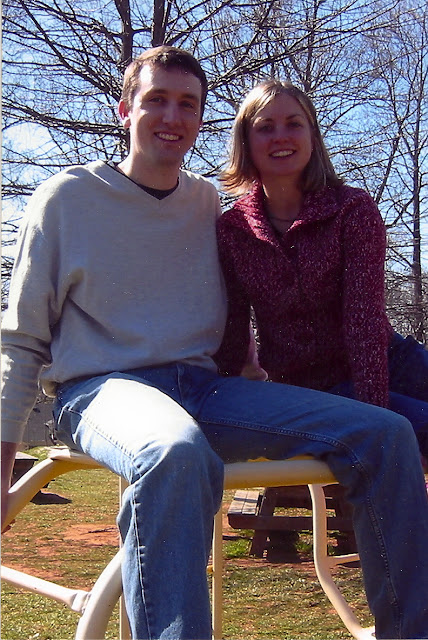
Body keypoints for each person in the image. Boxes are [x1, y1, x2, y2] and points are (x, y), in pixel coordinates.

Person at [1, 48, 428, 640]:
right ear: (125, 109)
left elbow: (232, 310)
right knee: (174, 451)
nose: (171, 116)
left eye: (188, 104)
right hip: (103, 389)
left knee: (387, 432)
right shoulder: (67, 197)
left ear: (202, 119)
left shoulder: (206, 205)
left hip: (206, 389)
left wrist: (247, 368)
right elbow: (21, 338)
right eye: (156, 99)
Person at [216, 79, 428, 458]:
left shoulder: (352, 210)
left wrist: (373, 417)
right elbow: (233, 329)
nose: (281, 136)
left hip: (387, 359)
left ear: (312, 135)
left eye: (294, 124)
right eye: (265, 127)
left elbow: (364, 321)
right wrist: (221, 402)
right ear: (245, 141)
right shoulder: (233, 230)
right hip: (312, 387)